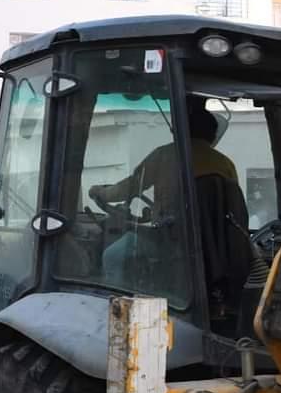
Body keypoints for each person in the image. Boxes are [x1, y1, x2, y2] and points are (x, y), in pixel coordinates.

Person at [89, 97, 239, 284]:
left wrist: (102, 193)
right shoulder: (225, 164)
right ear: (212, 133)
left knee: (112, 257)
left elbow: (132, 186)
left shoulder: (165, 155)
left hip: (169, 239)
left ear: (182, 129)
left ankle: (118, 301)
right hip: (214, 245)